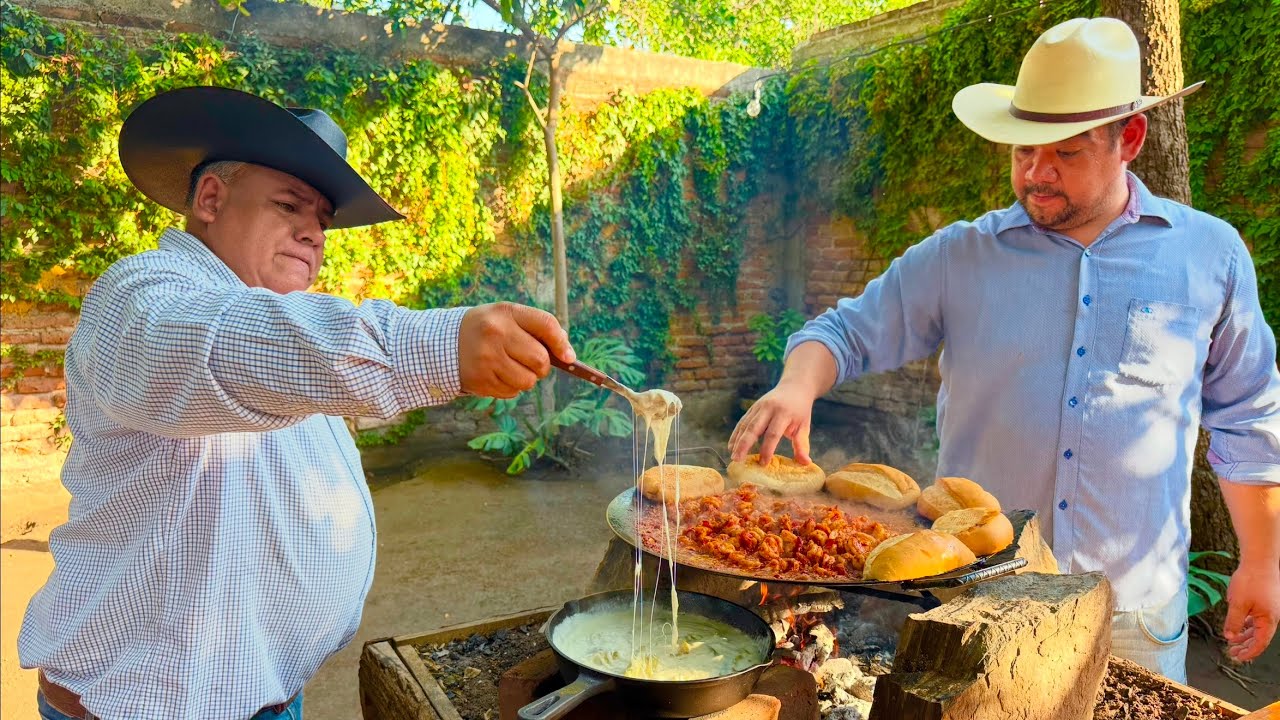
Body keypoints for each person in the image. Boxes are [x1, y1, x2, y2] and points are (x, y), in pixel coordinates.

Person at [729, 17, 1280, 681]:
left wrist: (1263, 561)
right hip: (977, 604)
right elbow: (840, 333)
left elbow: (1249, 417)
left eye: (1065, 153)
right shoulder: (961, 256)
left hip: (1132, 614)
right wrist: (797, 385)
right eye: (1023, 150)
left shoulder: (1208, 255)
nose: (1036, 173)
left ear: (1129, 139)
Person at [18, 86, 576, 720]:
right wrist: (436, 347)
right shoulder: (140, 295)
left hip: (264, 693)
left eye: (321, 221)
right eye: (289, 205)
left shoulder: (281, 320)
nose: (313, 232)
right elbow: (215, 346)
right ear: (210, 198)